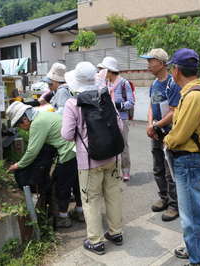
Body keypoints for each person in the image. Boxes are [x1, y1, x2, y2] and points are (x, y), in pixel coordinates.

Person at [61, 62, 123, 255]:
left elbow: (66, 134)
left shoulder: (73, 103)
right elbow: (119, 126)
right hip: (112, 157)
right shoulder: (106, 98)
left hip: (88, 161)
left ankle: (96, 241)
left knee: (91, 200)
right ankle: (116, 232)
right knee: (113, 195)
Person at [164, 48, 200, 266]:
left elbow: (180, 134)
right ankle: (194, 250)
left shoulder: (194, 96)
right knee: (193, 212)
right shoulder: (194, 92)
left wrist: (166, 140)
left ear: (176, 70)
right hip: (191, 160)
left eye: (171, 68)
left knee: (191, 216)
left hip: (188, 161)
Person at [6, 101, 83, 228]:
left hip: (67, 153)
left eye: (19, 125)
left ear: (24, 119)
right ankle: (80, 212)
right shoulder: (45, 115)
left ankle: (63, 218)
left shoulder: (37, 123)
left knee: (62, 185)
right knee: (76, 182)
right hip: (77, 149)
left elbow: (32, 151)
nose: (21, 128)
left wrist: (18, 165)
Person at [140, 48, 181, 222]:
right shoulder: (155, 83)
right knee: (158, 167)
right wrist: (150, 124)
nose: (148, 64)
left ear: (162, 63)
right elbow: (151, 105)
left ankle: (174, 205)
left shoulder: (172, 83)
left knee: (169, 170)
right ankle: (163, 197)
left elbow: (173, 111)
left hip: (169, 133)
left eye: (151, 61)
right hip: (156, 131)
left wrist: (156, 125)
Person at [97, 56, 135, 181]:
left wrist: (118, 105)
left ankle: (126, 171)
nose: (101, 72)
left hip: (122, 118)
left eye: (103, 70)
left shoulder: (124, 83)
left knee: (123, 145)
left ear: (109, 71)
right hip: (109, 118)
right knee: (112, 145)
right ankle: (114, 170)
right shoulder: (106, 83)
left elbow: (131, 102)